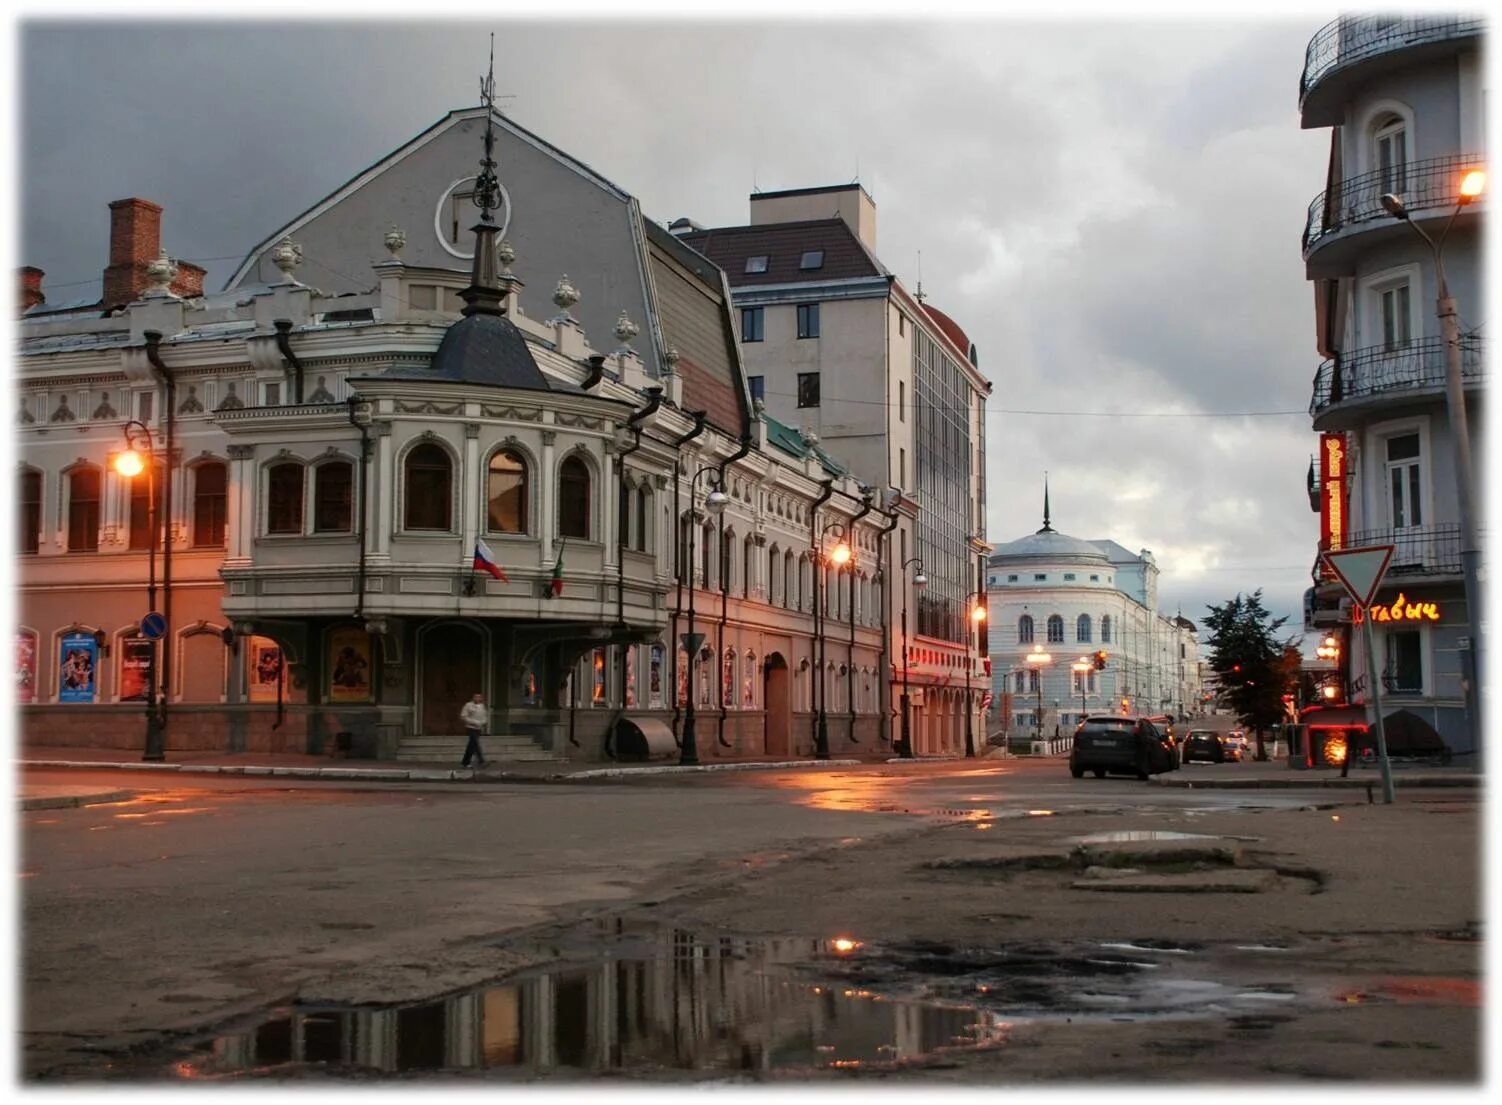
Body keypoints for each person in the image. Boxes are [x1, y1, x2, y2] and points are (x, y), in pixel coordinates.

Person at [460, 692, 488, 768]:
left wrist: (483, 722)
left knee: (471, 746)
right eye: (476, 697)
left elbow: (484, 716)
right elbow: (463, 716)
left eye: (479, 697)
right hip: (471, 728)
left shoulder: (482, 706)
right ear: (473, 698)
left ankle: (465, 762)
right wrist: (474, 722)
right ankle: (481, 761)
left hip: (478, 728)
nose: (477, 698)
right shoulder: (468, 705)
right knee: (475, 743)